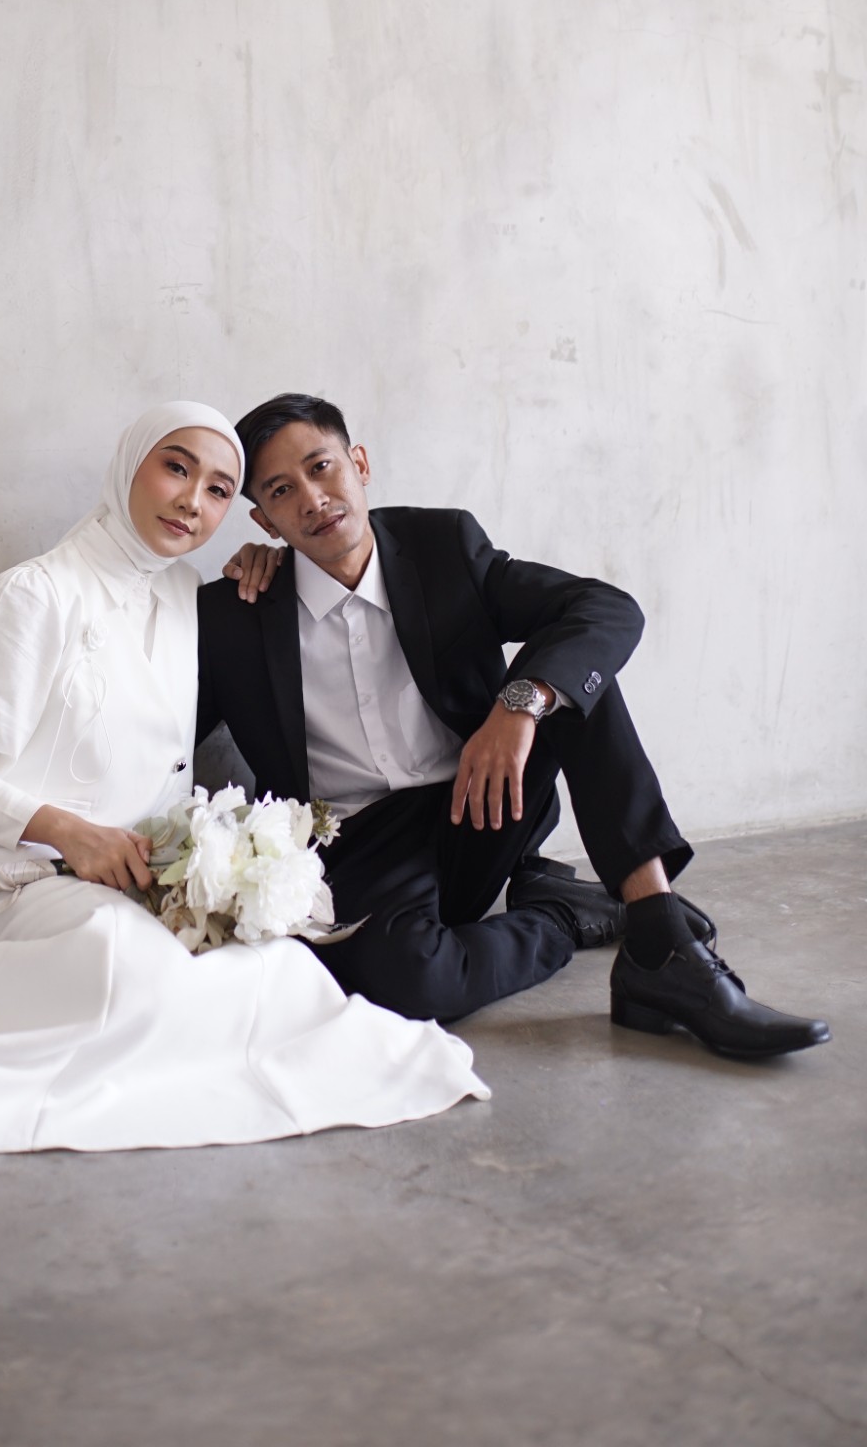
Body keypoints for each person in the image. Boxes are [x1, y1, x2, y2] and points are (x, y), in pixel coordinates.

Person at [0, 401, 489, 1149]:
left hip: (142, 885)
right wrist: (60, 830)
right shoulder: (37, 593)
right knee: (125, 968)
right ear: (127, 468)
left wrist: (271, 563)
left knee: (280, 972)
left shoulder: (184, 596)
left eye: (218, 490)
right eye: (176, 468)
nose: (192, 501)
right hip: (18, 883)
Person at [200, 392, 830, 1059]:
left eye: (321, 466)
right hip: (357, 843)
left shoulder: (442, 547)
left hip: (483, 799)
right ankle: (564, 915)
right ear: (264, 520)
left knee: (574, 674)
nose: (312, 498)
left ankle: (660, 939)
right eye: (281, 490)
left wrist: (519, 703)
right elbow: (164, 735)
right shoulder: (235, 615)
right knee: (411, 982)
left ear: (359, 464)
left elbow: (606, 608)